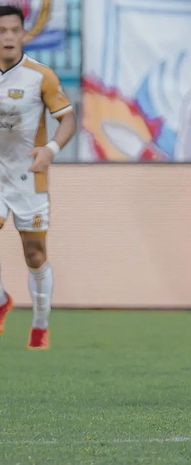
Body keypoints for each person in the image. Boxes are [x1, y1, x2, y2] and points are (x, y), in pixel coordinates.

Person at [0, 6, 76, 349]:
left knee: (34, 255)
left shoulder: (39, 76)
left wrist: (50, 151)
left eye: (14, 30)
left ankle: (40, 324)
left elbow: (68, 119)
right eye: (2, 31)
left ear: (24, 34)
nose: (9, 38)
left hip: (29, 179)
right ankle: (2, 300)